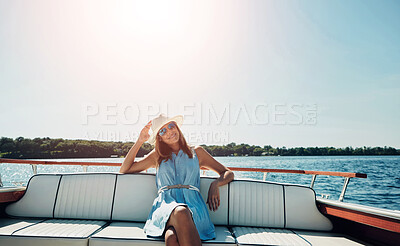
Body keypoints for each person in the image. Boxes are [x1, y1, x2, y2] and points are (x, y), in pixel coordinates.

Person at [119, 114, 234, 246]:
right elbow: (125, 169)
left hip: (194, 207)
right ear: (159, 138)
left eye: (171, 126)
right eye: (163, 131)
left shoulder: (197, 152)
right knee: (180, 211)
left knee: (172, 238)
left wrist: (216, 184)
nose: (169, 132)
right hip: (165, 206)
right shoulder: (157, 155)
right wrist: (140, 141)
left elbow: (228, 173)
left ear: (177, 127)